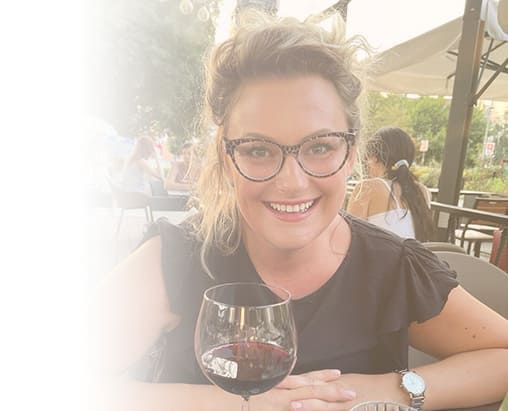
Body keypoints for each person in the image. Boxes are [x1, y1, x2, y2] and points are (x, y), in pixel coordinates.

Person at [91, 11, 508, 411]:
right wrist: (238, 404)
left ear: (351, 154)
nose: (291, 181)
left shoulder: (390, 267)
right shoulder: (176, 259)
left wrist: (383, 391)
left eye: (320, 146)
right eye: (258, 150)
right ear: (226, 157)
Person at [347, 127, 434, 241]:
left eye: (367, 158)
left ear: (374, 157)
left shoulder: (368, 188)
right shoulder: (423, 191)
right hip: (413, 253)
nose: (366, 164)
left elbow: (349, 239)